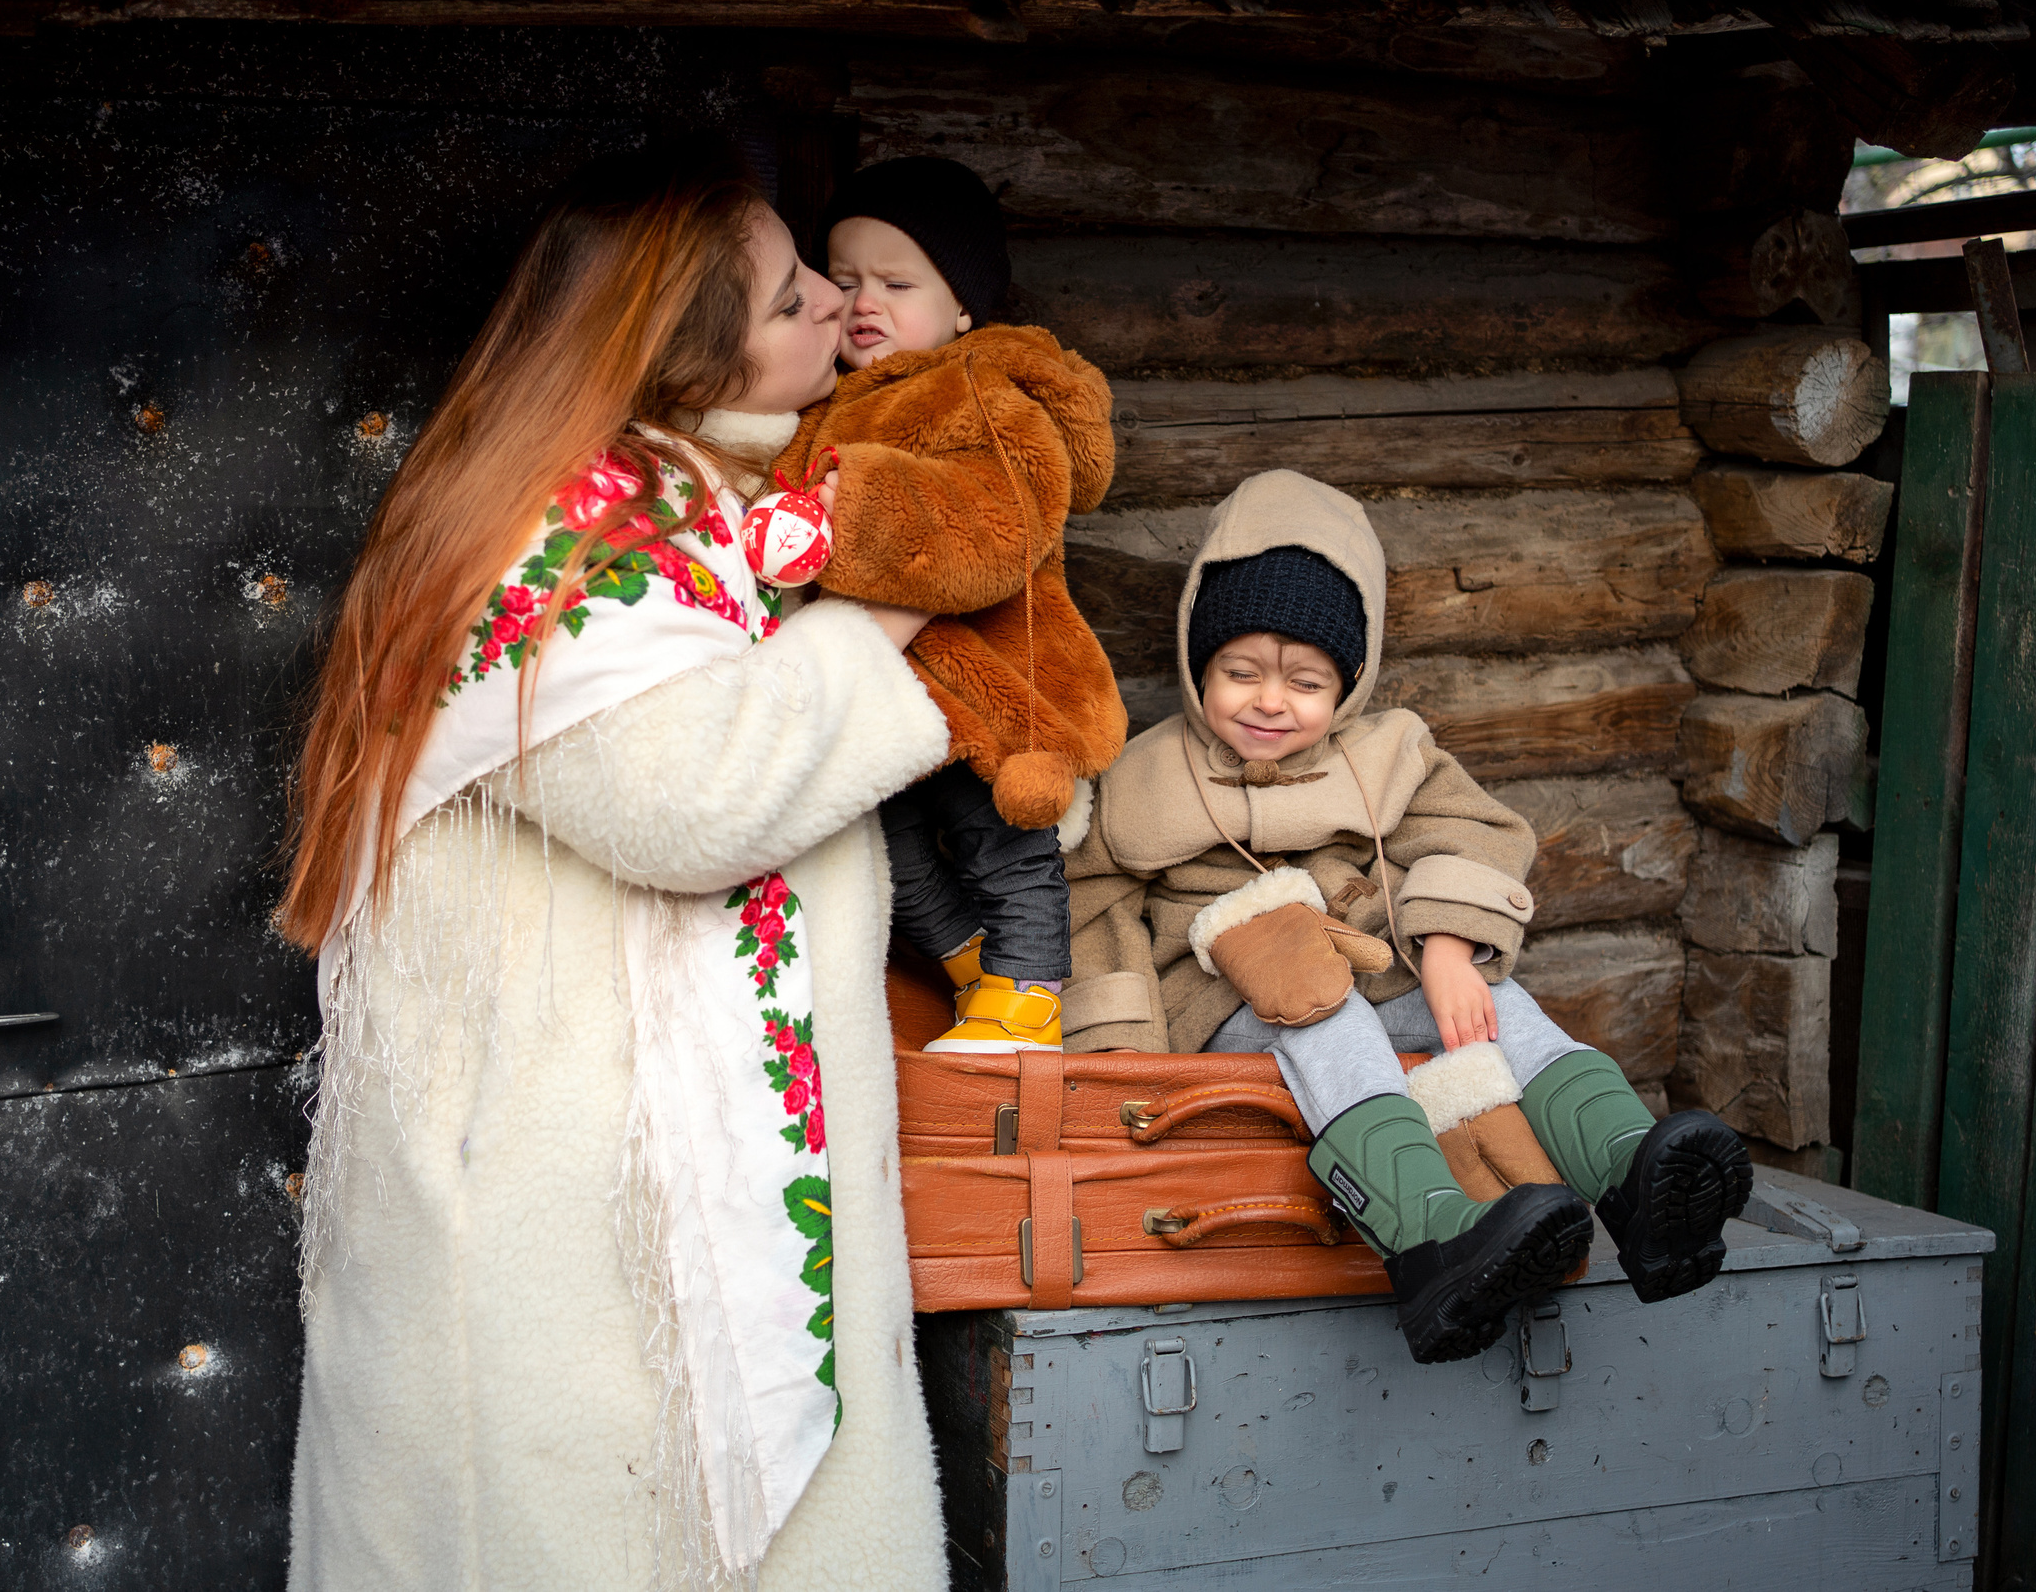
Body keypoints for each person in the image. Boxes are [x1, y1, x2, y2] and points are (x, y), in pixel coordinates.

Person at [275, 148, 953, 1592]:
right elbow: (695, 797)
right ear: (687, 356)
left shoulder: (689, 493)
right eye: (792, 297)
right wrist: (904, 585)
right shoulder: (554, 540)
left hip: (618, 1219)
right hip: (556, 1244)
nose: (839, 302)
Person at [1063, 468, 1753, 1365]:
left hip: (1376, 960)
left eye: (1305, 682)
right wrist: (1123, 1049)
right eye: (1241, 672)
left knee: (1498, 1008)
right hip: (1231, 1002)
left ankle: (1635, 1177)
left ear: (1350, 682)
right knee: (1324, 1012)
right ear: (1199, 661)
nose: (1270, 700)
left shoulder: (1389, 754)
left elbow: (1475, 832)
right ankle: (1429, 1237)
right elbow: (1093, 901)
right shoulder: (1139, 779)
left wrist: (1452, 948)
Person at [773, 156, 1126, 1056]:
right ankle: (969, 963)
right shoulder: (831, 405)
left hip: (986, 680)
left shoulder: (978, 388)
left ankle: (1030, 992)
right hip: (884, 701)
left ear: (964, 304)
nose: (864, 302)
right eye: (844, 278)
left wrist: (842, 513)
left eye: (897, 282)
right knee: (885, 852)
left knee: (1002, 845)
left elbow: (1000, 514)